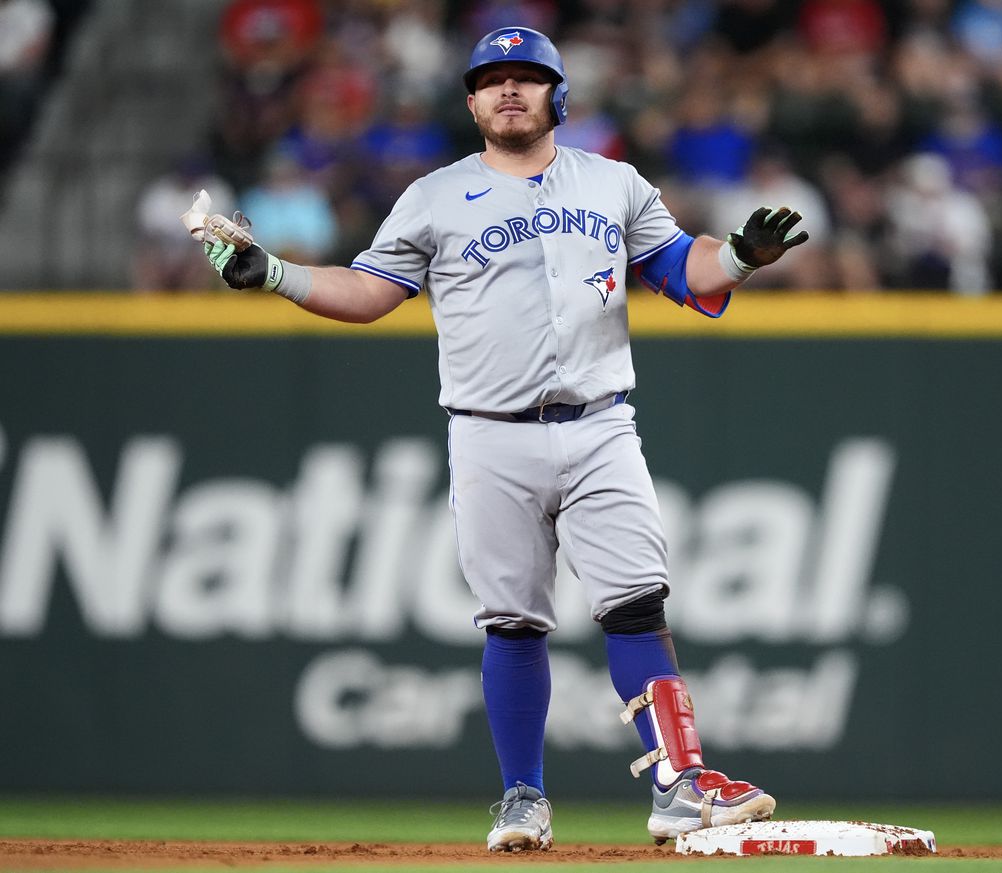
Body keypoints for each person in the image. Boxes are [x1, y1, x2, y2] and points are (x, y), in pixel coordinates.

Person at [198, 26, 807, 853]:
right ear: (472, 100)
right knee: (514, 623)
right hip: (490, 433)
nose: (509, 90)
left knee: (637, 606)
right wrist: (274, 274)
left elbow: (679, 269)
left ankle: (679, 782)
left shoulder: (613, 182)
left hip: (599, 423)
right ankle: (522, 796)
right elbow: (369, 291)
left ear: (560, 95)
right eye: (493, 80)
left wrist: (737, 257)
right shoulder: (434, 196)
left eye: (527, 77)